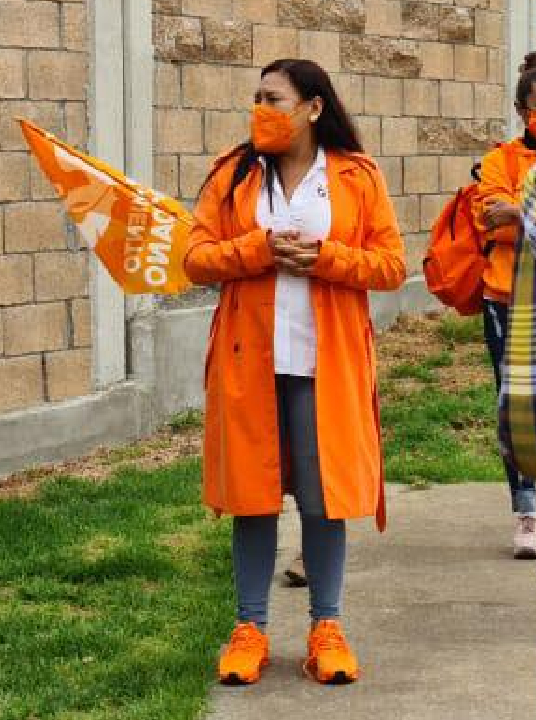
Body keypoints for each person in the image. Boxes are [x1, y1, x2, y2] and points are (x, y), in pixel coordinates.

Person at [185, 59, 405, 687]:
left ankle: (326, 628)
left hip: (323, 362)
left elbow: (390, 265)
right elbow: (195, 257)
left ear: (312, 108)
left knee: (321, 497)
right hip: (246, 363)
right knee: (252, 498)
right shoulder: (233, 174)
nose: (260, 109)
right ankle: (249, 629)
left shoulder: (355, 177)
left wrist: (325, 259)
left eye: (273, 98)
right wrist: (256, 251)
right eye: (256, 98)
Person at [473, 52, 536, 559]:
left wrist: (520, 211)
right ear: (521, 110)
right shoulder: (499, 160)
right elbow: (489, 218)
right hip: (508, 298)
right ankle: (527, 510)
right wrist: (516, 215)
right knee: (515, 409)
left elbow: (510, 215)